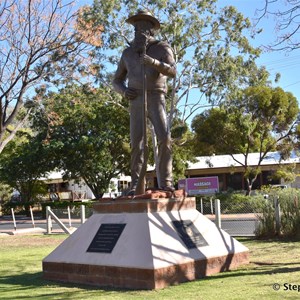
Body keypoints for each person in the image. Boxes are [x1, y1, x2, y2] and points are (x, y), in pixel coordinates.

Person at [112, 10, 176, 194]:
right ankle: (136, 185)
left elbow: (172, 71)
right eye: (135, 28)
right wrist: (124, 91)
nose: (138, 32)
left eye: (142, 28)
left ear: (150, 30)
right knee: (137, 143)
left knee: (164, 138)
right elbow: (116, 80)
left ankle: (166, 182)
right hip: (136, 99)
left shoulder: (162, 47)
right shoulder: (127, 53)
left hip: (156, 97)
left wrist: (153, 62)